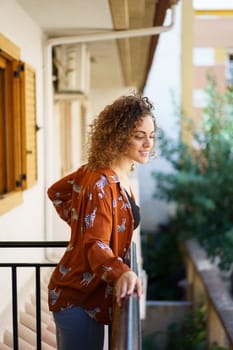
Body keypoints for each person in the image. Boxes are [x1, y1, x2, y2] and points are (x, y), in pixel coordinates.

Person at [47, 93, 157, 350]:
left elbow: (57, 193)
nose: (148, 144)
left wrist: (84, 224)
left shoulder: (108, 173)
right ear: (118, 136)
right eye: (139, 135)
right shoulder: (101, 181)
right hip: (78, 299)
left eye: (151, 136)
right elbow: (96, 244)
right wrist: (122, 272)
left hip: (89, 296)